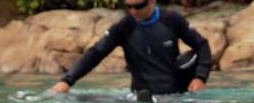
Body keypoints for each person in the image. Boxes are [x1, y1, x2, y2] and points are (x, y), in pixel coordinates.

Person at [50, 0, 212, 97]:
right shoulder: (124, 26)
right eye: (129, 6)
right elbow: (96, 53)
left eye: (138, 6)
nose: (133, 11)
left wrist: (200, 78)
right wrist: (67, 81)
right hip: (142, 97)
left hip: (177, 95)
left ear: (151, 1)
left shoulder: (172, 20)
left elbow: (202, 45)